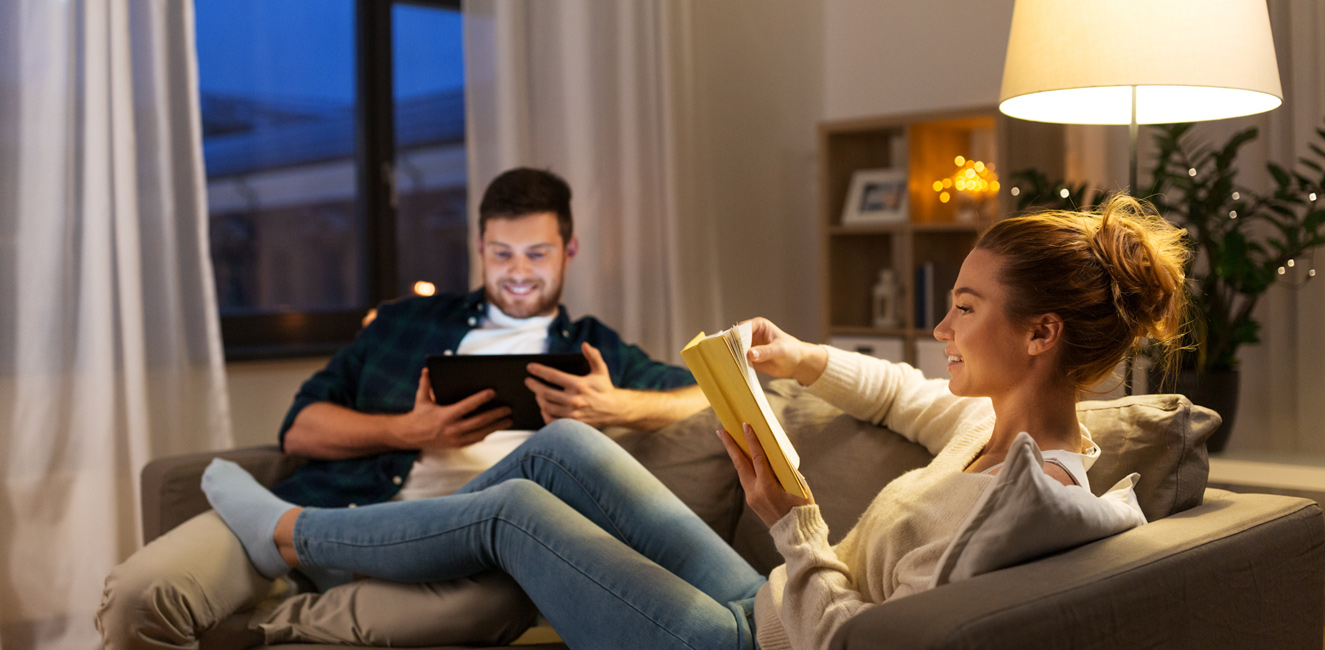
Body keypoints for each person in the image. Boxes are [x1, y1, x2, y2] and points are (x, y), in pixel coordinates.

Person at [198, 194, 1190, 650]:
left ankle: (290, 535)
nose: (940, 324)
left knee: (513, 516)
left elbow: (850, 640)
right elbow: (898, 393)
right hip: (771, 602)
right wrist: (797, 359)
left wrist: (791, 518)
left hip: (758, 639)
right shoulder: (1007, 433)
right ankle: (311, 539)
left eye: (967, 305)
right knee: (563, 445)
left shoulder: (1016, 506)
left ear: (1040, 332)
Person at [97, 167, 709, 649]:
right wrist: (408, 429)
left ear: (569, 249)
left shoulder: (595, 349)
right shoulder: (404, 324)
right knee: (137, 598)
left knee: (493, 605)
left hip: (448, 554)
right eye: (501, 254)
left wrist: (616, 403)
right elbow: (300, 429)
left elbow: (705, 392)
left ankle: (261, 622)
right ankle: (290, 540)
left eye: (536, 254)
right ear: (478, 246)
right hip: (337, 498)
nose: (518, 272)